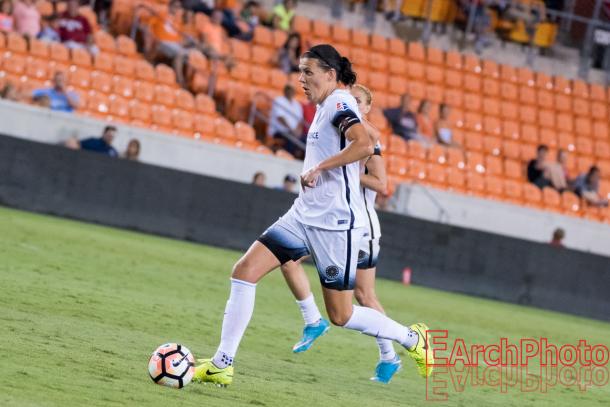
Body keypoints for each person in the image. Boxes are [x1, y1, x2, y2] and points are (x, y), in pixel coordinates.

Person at [192, 44, 433, 387]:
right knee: (244, 272)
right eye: (300, 71)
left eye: (308, 72)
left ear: (331, 75)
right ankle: (222, 363)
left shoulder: (339, 102)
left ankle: (412, 339)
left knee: (342, 314)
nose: (301, 79)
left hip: (336, 225)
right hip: (303, 216)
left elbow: (364, 144)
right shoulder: (324, 107)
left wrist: (321, 167)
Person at [279, 84, 403, 384]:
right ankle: (313, 320)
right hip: (335, 221)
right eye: (350, 99)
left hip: (361, 225)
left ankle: (389, 355)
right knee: (287, 257)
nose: (351, 104)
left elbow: (381, 183)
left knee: (364, 295)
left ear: (367, 107)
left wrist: (345, 171)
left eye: (358, 101)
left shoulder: (367, 135)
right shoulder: (336, 131)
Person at [267, 83, 303, 157]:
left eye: (292, 90)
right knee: (291, 139)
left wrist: (297, 132)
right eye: (288, 89)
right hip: (279, 131)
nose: (290, 92)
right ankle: (287, 157)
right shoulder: (279, 100)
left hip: (292, 132)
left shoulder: (297, 104)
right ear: (285, 91)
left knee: (305, 139)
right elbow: (280, 118)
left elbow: (300, 121)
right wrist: (292, 130)